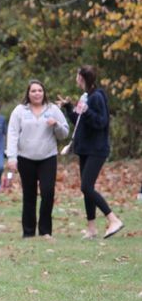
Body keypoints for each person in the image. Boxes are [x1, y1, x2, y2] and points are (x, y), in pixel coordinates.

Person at [58, 65, 123, 239]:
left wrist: (86, 111)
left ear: (82, 78)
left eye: (77, 76)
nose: (75, 79)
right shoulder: (85, 97)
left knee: (86, 187)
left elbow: (101, 122)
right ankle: (91, 229)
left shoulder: (97, 97)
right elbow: (79, 122)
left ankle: (113, 219)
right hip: (85, 149)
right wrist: (68, 107)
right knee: (87, 189)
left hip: (97, 149)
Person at [6, 79, 69, 238]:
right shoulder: (20, 111)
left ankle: (45, 231)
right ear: (28, 93)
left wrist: (56, 125)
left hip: (47, 157)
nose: (37, 94)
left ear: (44, 93)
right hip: (25, 157)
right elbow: (12, 134)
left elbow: (65, 133)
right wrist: (12, 157)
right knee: (29, 195)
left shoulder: (53, 109)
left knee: (48, 193)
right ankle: (28, 232)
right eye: (33, 91)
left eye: (40, 90)